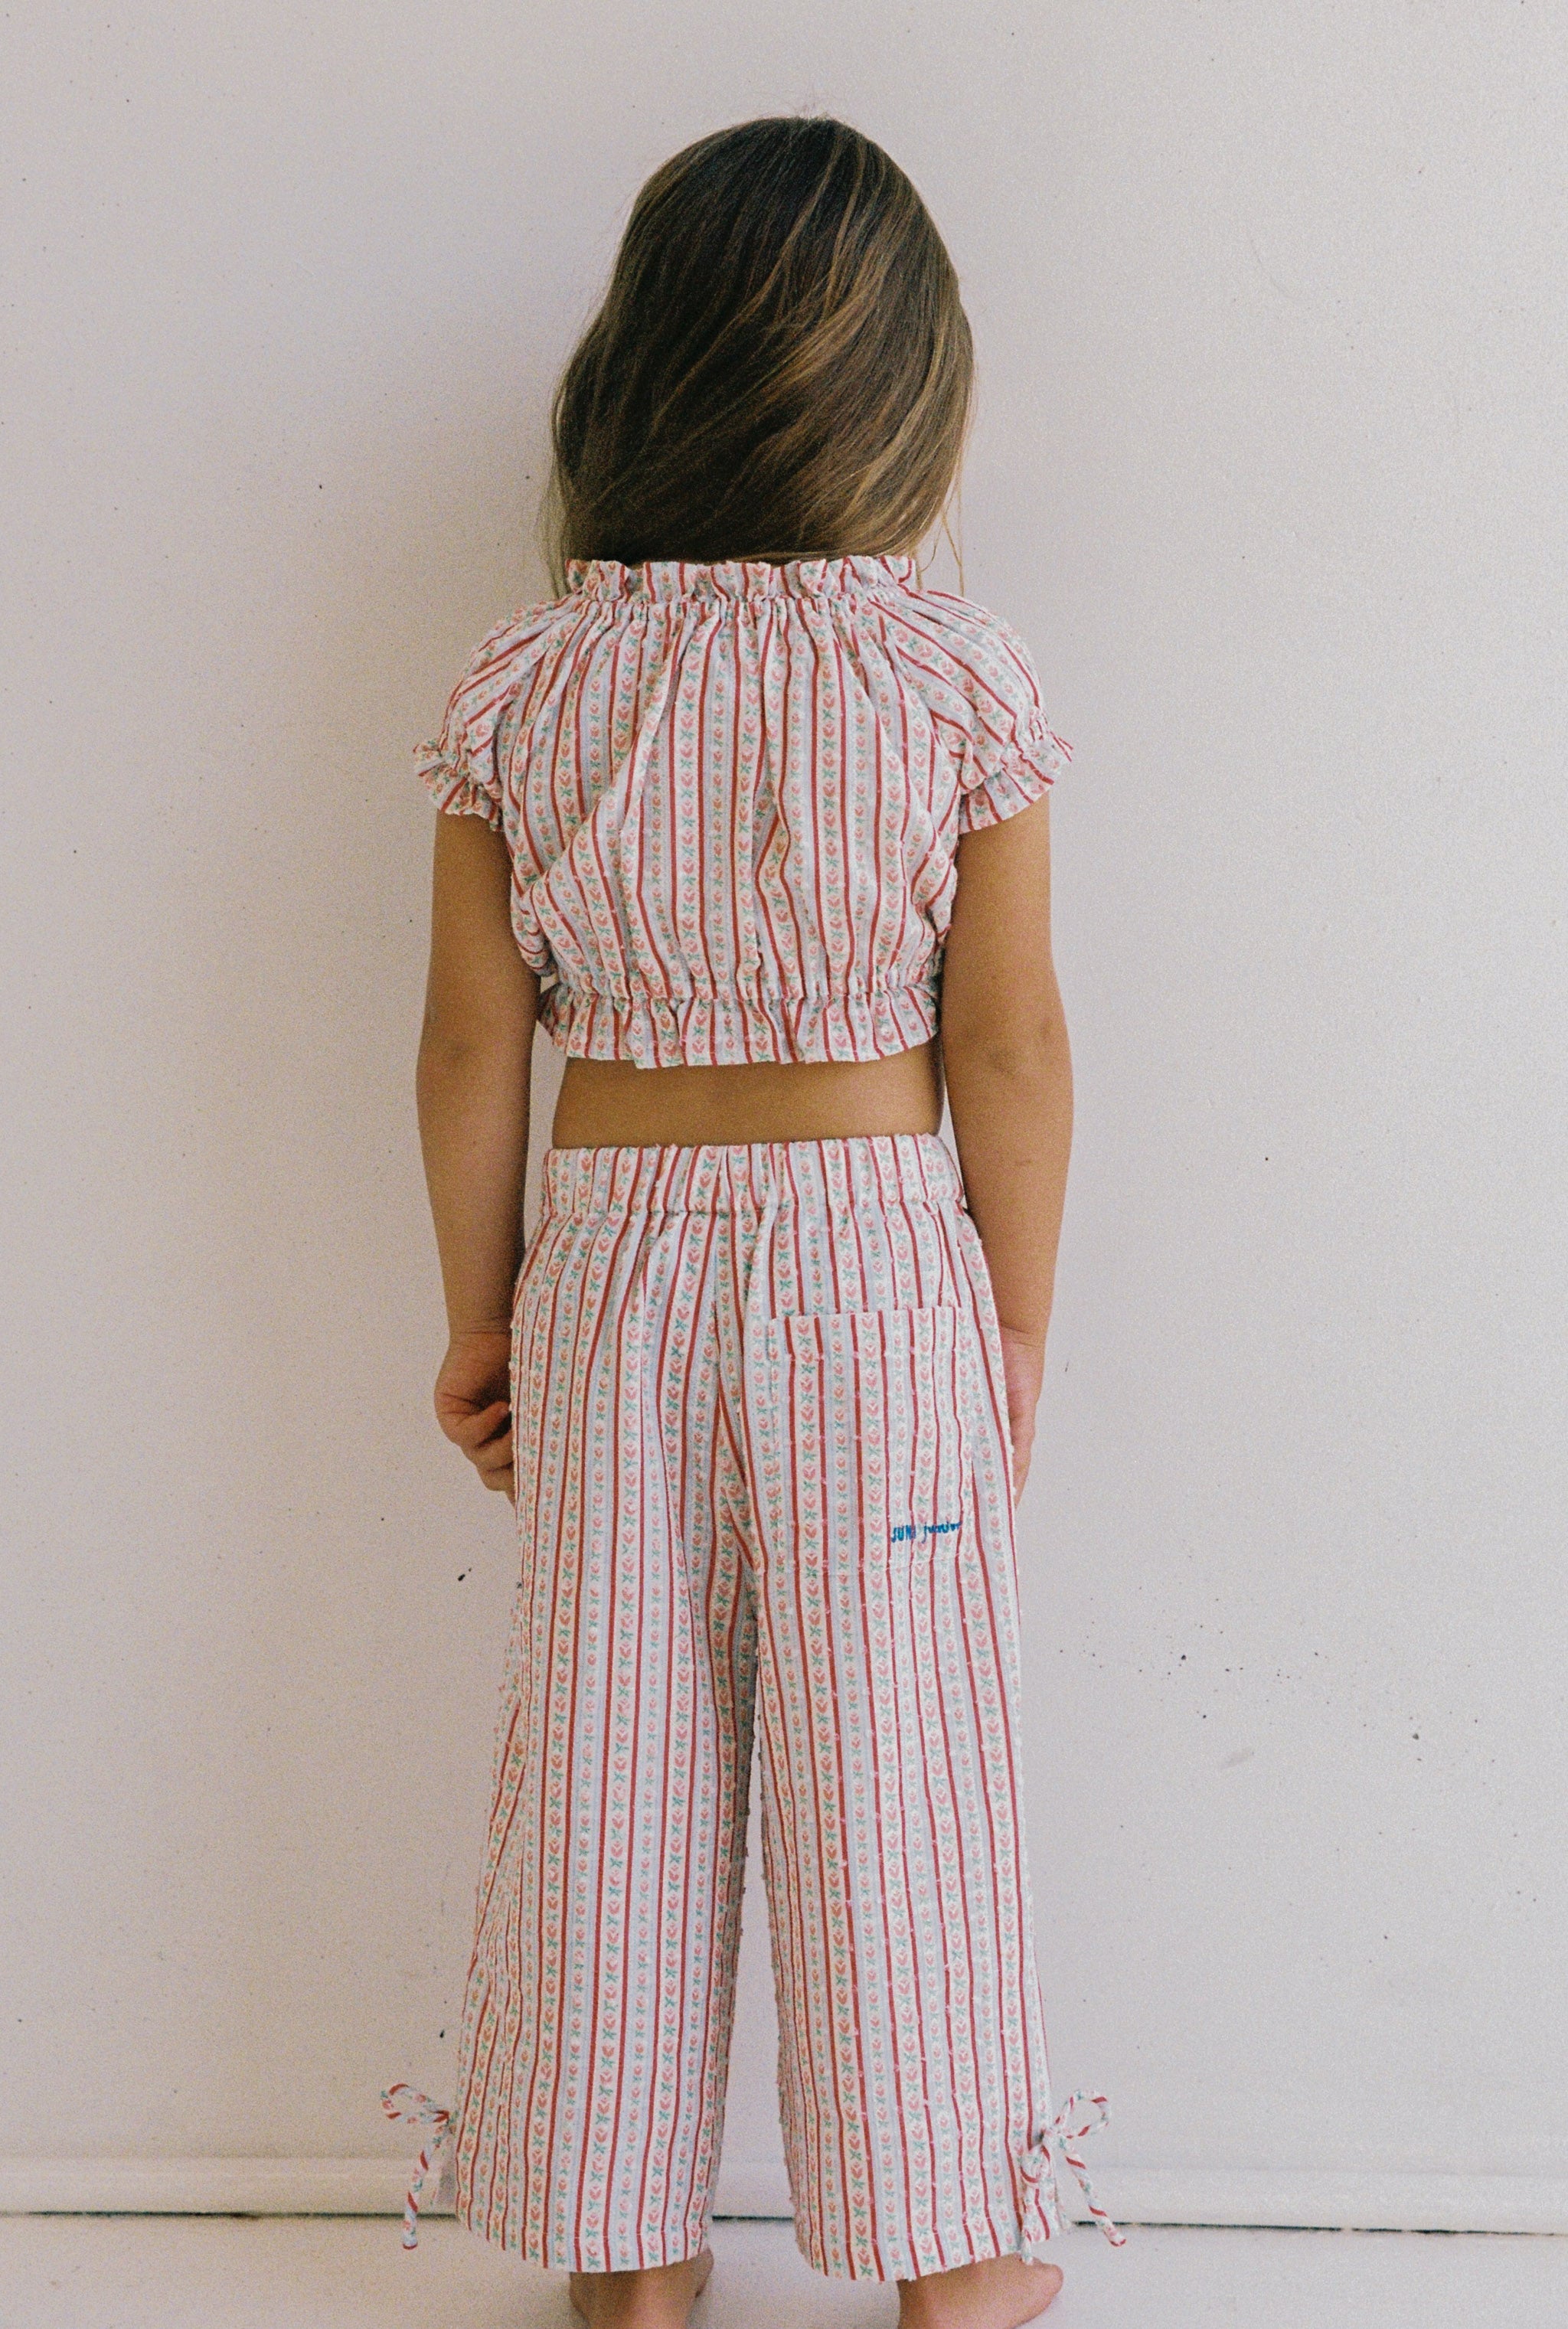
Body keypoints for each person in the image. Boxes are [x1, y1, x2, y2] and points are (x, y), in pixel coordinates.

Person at [386, 113, 1122, 2329]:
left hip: (606, 1267)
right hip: (879, 1264)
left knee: (615, 1747)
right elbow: (1010, 1050)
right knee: (897, 1756)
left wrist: (475, 1315)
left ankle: (630, 2261)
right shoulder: (953, 678)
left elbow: (457, 1048)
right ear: (914, 400)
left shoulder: (527, 689)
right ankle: (960, 2256)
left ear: (637, 380)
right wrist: (1016, 1322)